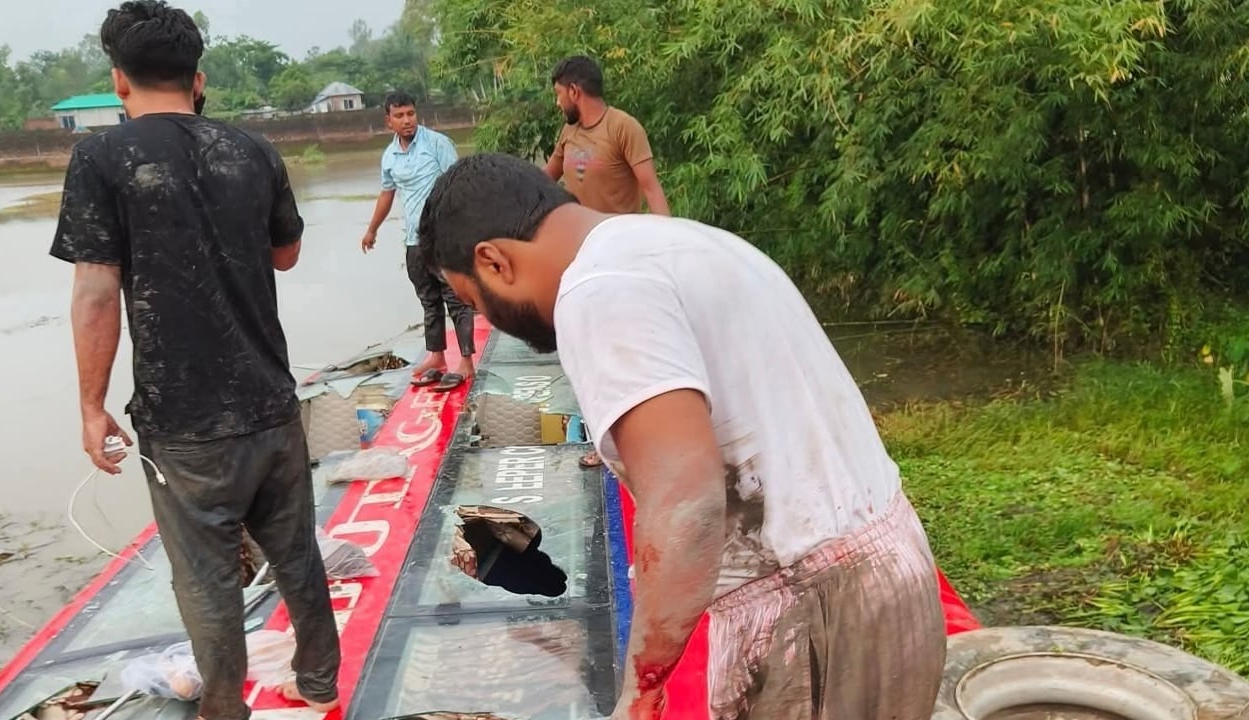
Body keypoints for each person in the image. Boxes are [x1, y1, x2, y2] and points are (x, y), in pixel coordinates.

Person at [418, 153, 946, 720]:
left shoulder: (597, 290)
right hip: (890, 567)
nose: (492, 323)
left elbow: (686, 500)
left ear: (493, 261)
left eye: (475, 303)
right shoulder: (679, 242)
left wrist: (643, 686)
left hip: (811, 612)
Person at [51, 3, 340, 718]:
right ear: (199, 78)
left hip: (185, 423)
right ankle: (321, 683)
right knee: (296, 555)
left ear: (119, 82)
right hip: (272, 402)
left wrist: (91, 408)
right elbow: (286, 253)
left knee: (206, 580)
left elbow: (96, 290)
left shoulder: (101, 158)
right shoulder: (254, 151)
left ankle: (222, 708)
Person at [543, 55, 671, 469]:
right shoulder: (569, 132)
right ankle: (607, 444)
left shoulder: (623, 127)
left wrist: (664, 244)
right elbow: (547, 179)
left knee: (631, 346)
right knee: (591, 350)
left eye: (559, 93)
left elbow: (651, 188)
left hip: (622, 253)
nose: (558, 101)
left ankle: (650, 438)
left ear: (574, 91)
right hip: (580, 255)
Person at [362, 91, 474, 392]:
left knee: (456, 300)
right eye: (399, 115)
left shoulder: (437, 144)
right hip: (414, 240)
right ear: (389, 122)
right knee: (429, 300)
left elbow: (458, 184)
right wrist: (372, 229)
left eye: (410, 113)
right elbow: (388, 193)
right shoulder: (390, 156)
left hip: (443, 237)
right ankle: (437, 357)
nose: (407, 120)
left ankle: (466, 362)